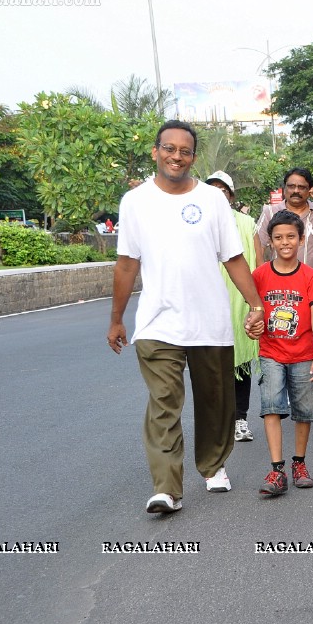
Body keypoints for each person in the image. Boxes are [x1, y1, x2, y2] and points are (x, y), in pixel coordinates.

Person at [107, 120, 264, 514]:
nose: (176, 156)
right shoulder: (136, 202)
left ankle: (212, 464)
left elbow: (232, 258)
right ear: (156, 151)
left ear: (193, 157)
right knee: (164, 401)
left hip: (209, 321)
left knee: (215, 401)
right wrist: (116, 319)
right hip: (158, 324)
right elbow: (127, 264)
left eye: (185, 150)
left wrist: (256, 304)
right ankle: (167, 488)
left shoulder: (212, 201)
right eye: (169, 148)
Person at [255, 167, 313, 421]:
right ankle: (279, 399)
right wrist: (260, 275)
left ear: (310, 190)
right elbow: (259, 242)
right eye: (291, 186)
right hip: (278, 292)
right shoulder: (270, 212)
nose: (296, 191)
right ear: (284, 188)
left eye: (302, 187)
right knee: (279, 342)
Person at [249, 211, 313, 495]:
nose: (285, 242)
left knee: (304, 411)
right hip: (271, 352)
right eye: (279, 237)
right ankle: (276, 468)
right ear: (270, 241)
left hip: (304, 353)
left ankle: (299, 462)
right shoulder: (259, 276)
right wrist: (252, 327)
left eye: (291, 237)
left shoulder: (310, 277)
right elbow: (254, 312)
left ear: (301, 239)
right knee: (271, 405)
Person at [206, 170, 260, 443]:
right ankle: (219, 422)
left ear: (231, 195)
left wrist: (258, 304)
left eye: (223, 190)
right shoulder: (197, 222)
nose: (218, 195)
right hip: (208, 303)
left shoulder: (247, 223)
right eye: (212, 190)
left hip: (241, 303)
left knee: (241, 365)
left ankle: (240, 419)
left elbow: (259, 266)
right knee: (212, 368)